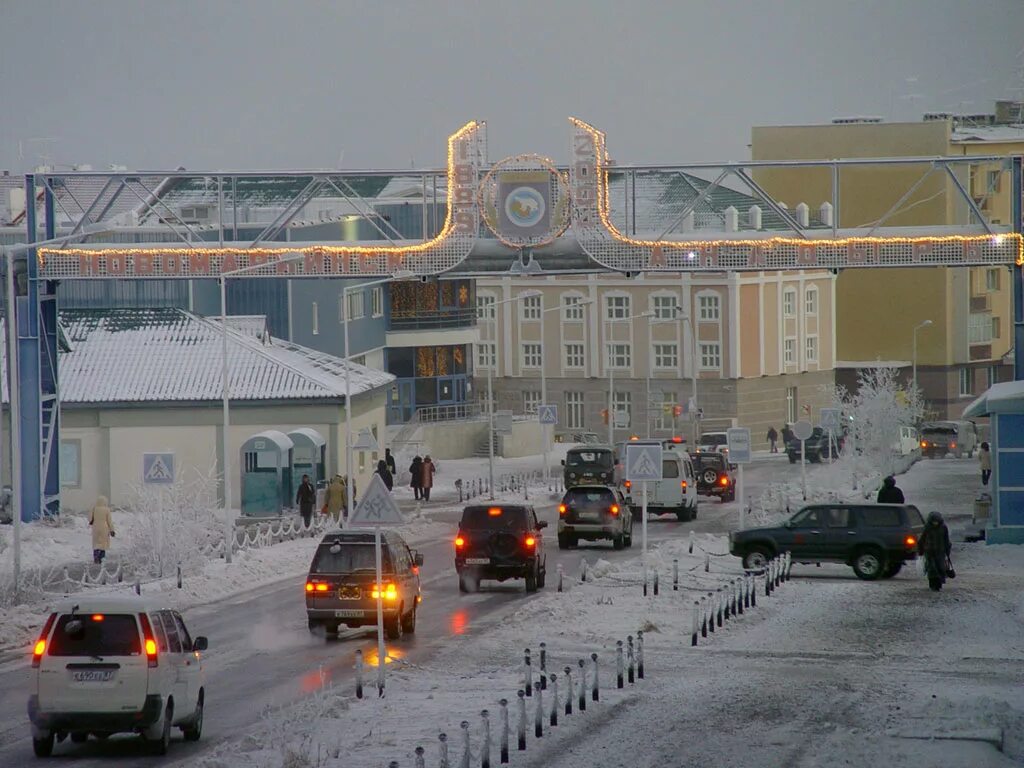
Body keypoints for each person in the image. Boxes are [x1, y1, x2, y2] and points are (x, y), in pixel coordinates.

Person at [918, 511, 952, 591]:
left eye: (936, 521)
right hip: (929, 551)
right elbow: (922, 539)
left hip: (940, 551)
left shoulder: (943, 527)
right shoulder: (927, 527)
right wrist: (921, 550)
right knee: (931, 568)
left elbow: (946, 540)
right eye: (934, 521)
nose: (935, 523)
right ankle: (932, 584)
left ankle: (938, 584)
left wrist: (947, 550)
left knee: (940, 568)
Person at [89, 495, 115, 565]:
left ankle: (96, 557)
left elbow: (90, 519)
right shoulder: (107, 510)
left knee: (96, 543)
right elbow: (109, 521)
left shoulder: (94, 508)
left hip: (95, 527)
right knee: (103, 543)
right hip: (104, 528)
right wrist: (112, 530)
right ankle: (101, 558)